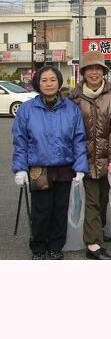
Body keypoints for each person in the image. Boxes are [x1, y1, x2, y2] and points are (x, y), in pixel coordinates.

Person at [12, 66, 88, 260]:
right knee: (41, 211)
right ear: (38, 83)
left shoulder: (71, 108)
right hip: (39, 168)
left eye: (52, 79)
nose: (48, 83)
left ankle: (55, 246)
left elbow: (79, 139)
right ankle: (38, 247)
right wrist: (20, 168)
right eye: (44, 80)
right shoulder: (27, 109)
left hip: (64, 168)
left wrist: (80, 168)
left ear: (59, 82)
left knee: (59, 211)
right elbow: (20, 140)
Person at [71, 51, 111, 260]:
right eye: (89, 69)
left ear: (103, 72)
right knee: (92, 201)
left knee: (103, 200)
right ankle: (93, 246)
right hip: (84, 159)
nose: (94, 73)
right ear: (83, 73)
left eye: (98, 69)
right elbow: (72, 131)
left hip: (108, 159)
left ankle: (98, 232)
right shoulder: (74, 98)